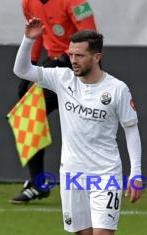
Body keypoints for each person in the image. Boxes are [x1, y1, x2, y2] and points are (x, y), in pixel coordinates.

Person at [14, 18, 144, 235]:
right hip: (72, 174)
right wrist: (28, 39)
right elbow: (22, 71)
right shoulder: (62, 79)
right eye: (71, 55)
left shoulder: (116, 89)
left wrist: (135, 172)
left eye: (80, 55)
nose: (73, 60)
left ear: (96, 56)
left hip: (106, 173)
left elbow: (132, 131)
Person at [11, 0, 98, 204]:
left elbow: (91, 38)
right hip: (55, 68)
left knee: (86, 127)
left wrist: (69, 60)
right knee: (27, 114)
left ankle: (92, 184)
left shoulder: (76, 2)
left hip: (81, 69)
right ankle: (37, 183)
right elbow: (37, 34)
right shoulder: (29, 3)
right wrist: (30, 67)